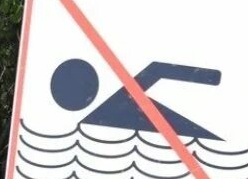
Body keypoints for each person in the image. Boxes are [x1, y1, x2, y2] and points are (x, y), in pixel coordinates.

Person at [49, 57, 220, 139]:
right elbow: (156, 71)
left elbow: (156, 71)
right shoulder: (108, 108)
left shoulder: (109, 105)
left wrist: (209, 77)